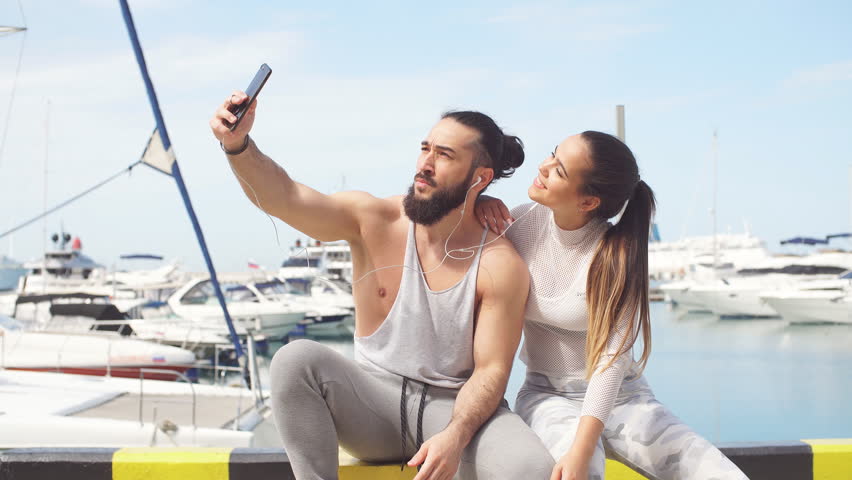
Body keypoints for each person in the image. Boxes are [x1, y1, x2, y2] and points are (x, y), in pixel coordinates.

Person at [209, 92, 554, 480]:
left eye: (444, 155)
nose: (425, 164)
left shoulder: (499, 264)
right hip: (371, 404)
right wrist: (237, 145)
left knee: (533, 468)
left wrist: (455, 437)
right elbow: (286, 197)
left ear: (481, 178)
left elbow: (491, 371)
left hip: (453, 409)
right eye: (425, 149)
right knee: (294, 360)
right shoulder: (376, 220)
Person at [475, 131, 748, 480]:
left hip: (624, 397)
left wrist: (583, 447)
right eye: (552, 155)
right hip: (548, 396)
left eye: (558, 170)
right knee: (581, 474)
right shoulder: (519, 224)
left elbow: (610, 361)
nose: (543, 167)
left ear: (588, 201)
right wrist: (480, 205)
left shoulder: (615, 256)